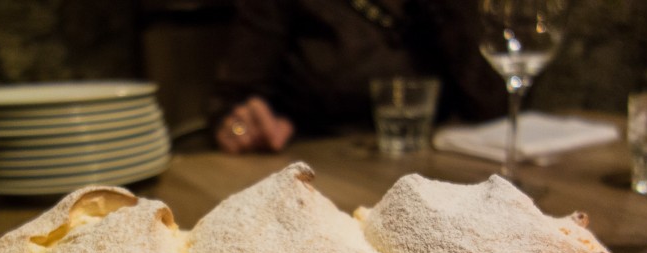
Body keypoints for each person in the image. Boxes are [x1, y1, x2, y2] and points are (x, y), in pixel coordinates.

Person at [210, 0, 508, 154]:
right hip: (318, 174)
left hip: (434, 175)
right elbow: (231, 103)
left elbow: (493, 104)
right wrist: (243, 127)